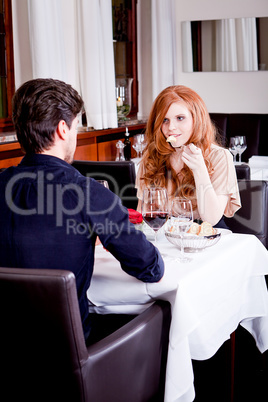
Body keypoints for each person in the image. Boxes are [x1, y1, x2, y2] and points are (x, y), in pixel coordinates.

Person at [0, 78, 164, 343]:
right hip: (69, 356)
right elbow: (150, 268)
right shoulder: (89, 194)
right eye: (77, 126)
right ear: (63, 129)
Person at [136, 85, 241, 227]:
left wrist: (199, 169)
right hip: (164, 235)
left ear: (196, 119)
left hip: (206, 235)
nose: (171, 127)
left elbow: (211, 220)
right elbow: (142, 214)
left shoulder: (220, 157)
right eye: (165, 120)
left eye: (180, 118)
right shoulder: (152, 156)